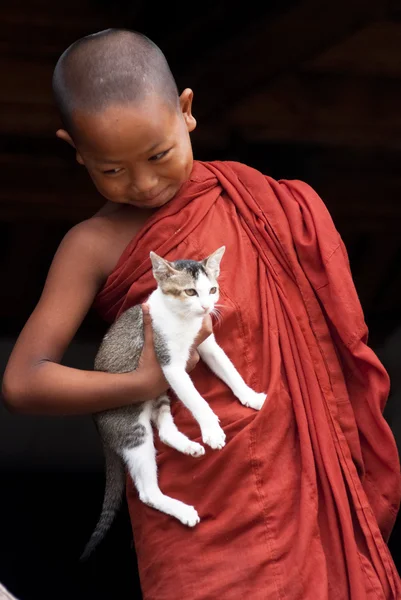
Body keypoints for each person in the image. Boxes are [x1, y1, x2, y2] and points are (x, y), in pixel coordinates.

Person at [2, 28, 401, 600]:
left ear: (186, 112)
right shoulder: (91, 245)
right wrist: (143, 381)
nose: (141, 183)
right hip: (194, 494)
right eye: (110, 170)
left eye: (158, 155)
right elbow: (24, 381)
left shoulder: (263, 204)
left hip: (300, 489)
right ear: (76, 150)